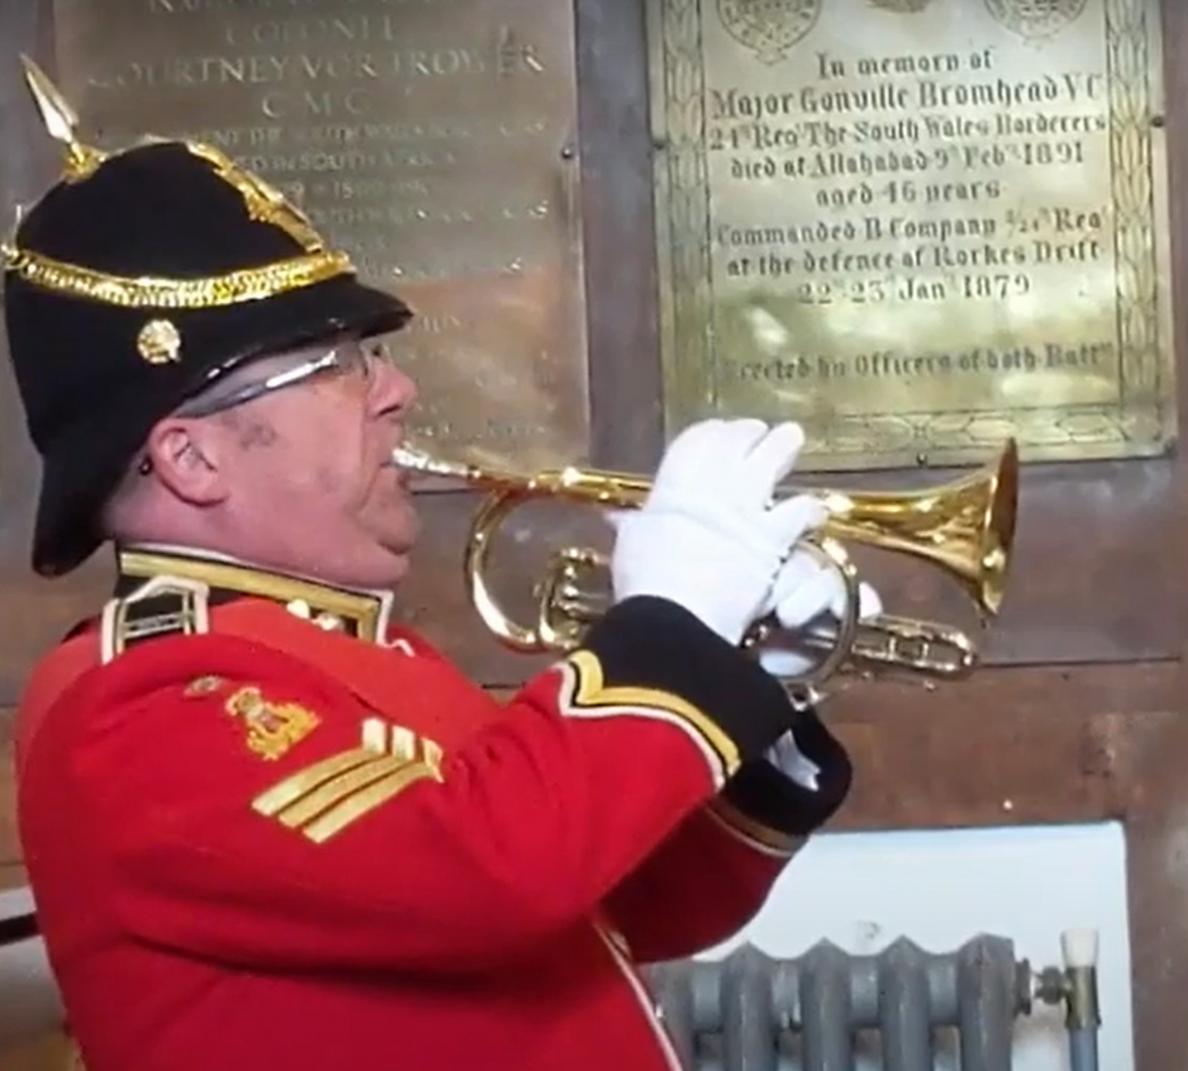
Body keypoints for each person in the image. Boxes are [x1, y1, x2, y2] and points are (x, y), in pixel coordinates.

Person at [3, 65, 873, 1070]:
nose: (396, 389)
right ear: (191, 458)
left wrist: (746, 680)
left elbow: (625, 902)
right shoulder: (141, 704)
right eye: (336, 365)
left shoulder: (370, 657)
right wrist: (670, 630)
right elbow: (492, 877)